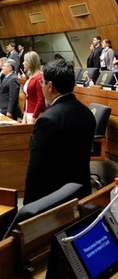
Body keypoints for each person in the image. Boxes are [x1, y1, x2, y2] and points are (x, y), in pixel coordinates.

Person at [23, 59, 95, 205]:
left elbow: (36, 167)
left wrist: (28, 205)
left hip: (54, 198)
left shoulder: (47, 120)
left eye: (42, 83)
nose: (41, 86)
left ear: (50, 86)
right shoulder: (87, 113)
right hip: (81, 192)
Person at [22, 51, 46, 124]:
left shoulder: (39, 77)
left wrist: (33, 118)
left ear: (30, 63)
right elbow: (27, 98)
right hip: (28, 112)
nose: (23, 63)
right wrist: (24, 116)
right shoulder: (30, 77)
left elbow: (40, 100)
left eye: (25, 61)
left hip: (36, 114)